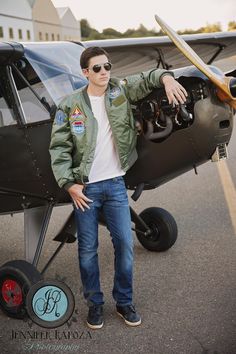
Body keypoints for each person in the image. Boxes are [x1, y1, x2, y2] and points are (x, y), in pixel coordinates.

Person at [49, 46, 187, 329]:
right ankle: (95, 305)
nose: (104, 72)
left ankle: (124, 302)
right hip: (85, 189)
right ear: (85, 72)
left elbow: (148, 77)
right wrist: (68, 184)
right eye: (97, 68)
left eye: (107, 67)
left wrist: (168, 78)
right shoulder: (69, 105)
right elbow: (59, 148)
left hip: (114, 185)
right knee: (87, 250)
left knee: (124, 244)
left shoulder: (120, 91)